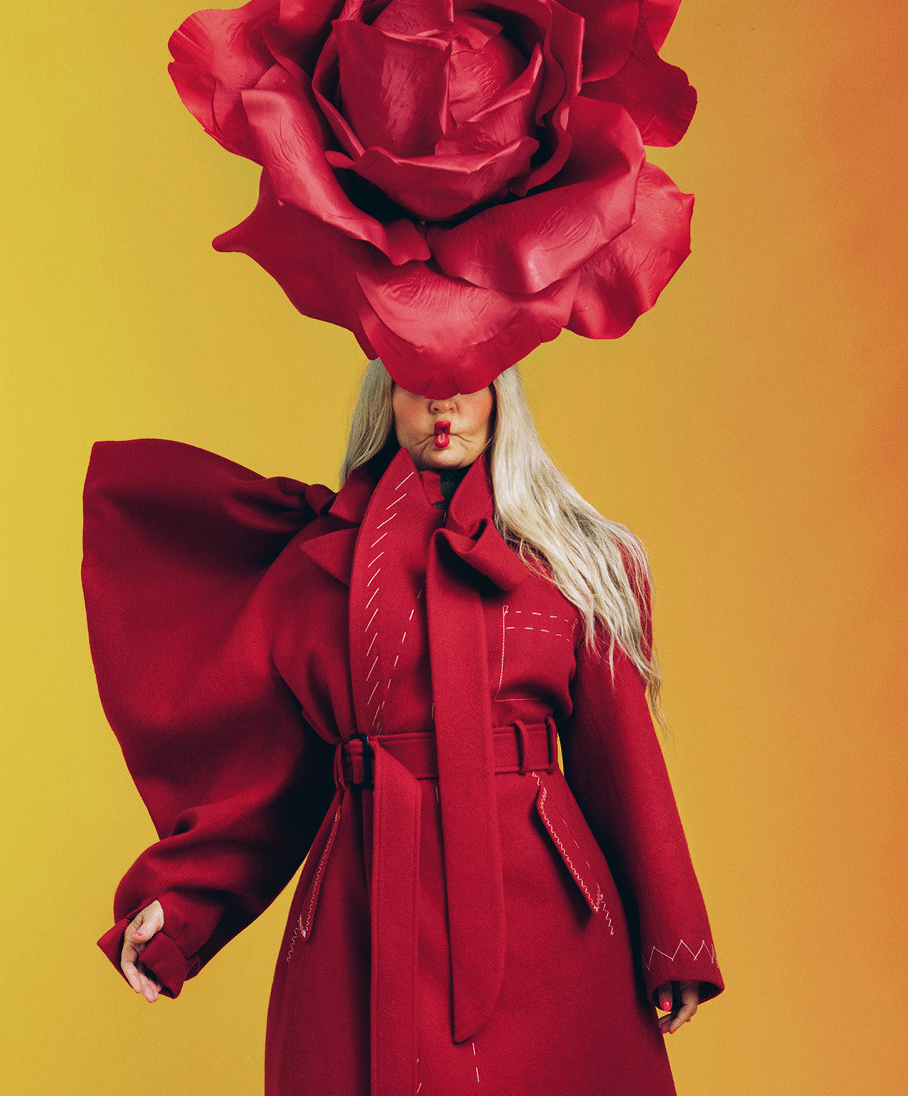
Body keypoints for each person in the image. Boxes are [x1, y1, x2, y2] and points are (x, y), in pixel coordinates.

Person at [83, 359, 723, 1096]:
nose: (442, 404)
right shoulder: (321, 564)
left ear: (502, 395)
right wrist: (179, 910)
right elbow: (275, 782)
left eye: (468, 381)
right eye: (416, 381)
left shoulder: (575, 559)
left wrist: (674, 937)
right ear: (384, 397)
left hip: (550, 923)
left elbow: (624, 760)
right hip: (362, 922)